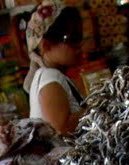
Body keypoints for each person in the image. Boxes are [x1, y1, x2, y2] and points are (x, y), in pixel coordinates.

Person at [25, 3, 85, 136]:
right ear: (46, 46)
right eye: (73, 38)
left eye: (80, 36)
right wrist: (96, 109)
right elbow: (60, 129)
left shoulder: (52, 75)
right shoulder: (49, 77)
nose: (80, 45)